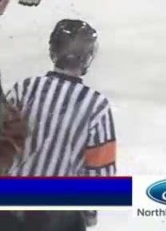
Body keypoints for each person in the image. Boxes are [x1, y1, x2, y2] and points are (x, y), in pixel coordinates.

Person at [5, 19, 114, 231]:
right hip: (59, 214)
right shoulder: (96, 106)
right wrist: (89, 213)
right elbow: (100, 172)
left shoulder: (24, 89)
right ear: (88, 58)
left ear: (52, 51)